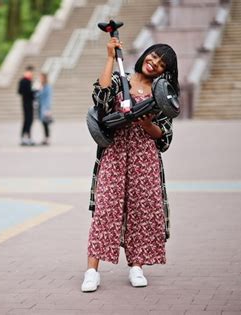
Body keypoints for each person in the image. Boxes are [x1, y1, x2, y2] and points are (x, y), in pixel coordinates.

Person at [81, 40, 180, 292]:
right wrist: (110, 58)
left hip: (144, 158)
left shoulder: (162, 93)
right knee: (106, 211)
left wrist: (148, 126)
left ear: (164, 70)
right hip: (114, 154)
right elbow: (100, 96)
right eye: (154, 56)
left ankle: (136, 267)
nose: (155, 63)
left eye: (161, 64)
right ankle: (92, 271)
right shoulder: (119, 80)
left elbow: (164, 138)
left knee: (142, 211)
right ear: (146, 54)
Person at [18, 65, 36, 146]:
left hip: (30, 103)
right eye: (31, 72)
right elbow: (20, 91)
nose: (32, 73)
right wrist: (32, 91)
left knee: (30, 120)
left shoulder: (30, 81)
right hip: (26, 103)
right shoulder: (24, 81)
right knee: (27, 120)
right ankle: (25, 137)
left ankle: (27, 137)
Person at [36, 72, 53, 145]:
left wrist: (48, 109)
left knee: (46, 123)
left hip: (45, 108)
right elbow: (38, 96)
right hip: (41, 107)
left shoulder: (47, 87)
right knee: (43, 123)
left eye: (41, 77)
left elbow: (48, 98)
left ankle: (47, 138)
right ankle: (45, 138)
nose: (40, 79)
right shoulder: (42, 86)